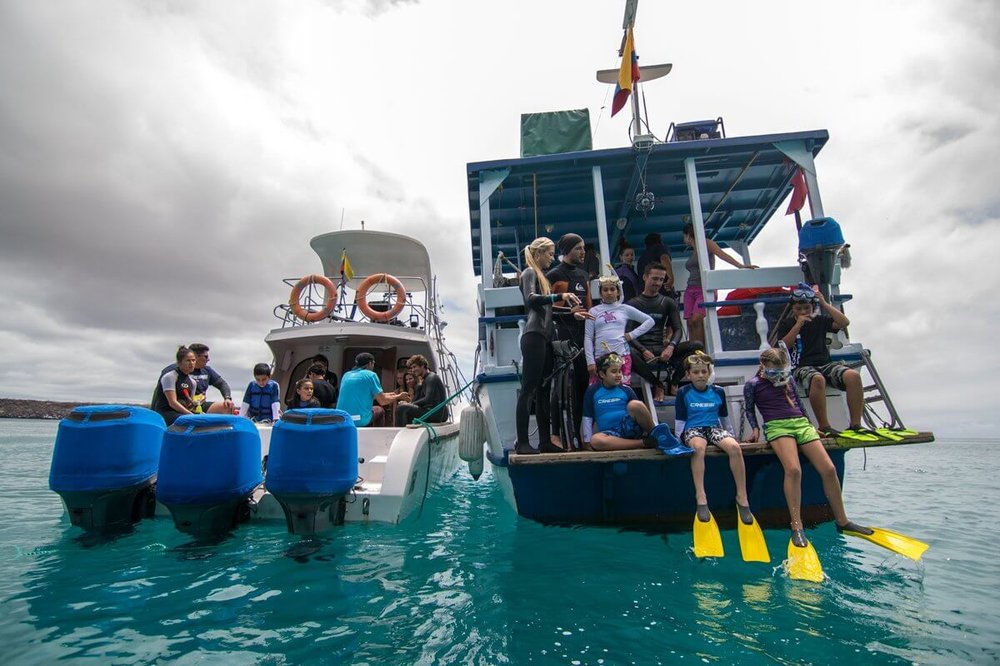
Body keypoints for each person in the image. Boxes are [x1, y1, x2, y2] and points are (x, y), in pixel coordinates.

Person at [743, 345, 874, 549]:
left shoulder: (789, 380)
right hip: (777, 426)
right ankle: (797, 526)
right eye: (773, 372)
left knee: (829, 469)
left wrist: (811, 425)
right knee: (794, 470)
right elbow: (749, 409)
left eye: (782, 371)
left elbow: (799, 405)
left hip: (800, 424)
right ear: (763, 366)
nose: (778, 376)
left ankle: (843, 521)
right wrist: (755, 430)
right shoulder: (753, 384)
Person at [774, 284, 872, 440]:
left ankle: (855, 425)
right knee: (817, 379)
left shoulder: (819, 321)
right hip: (801, 366)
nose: (803, 312)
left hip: (825, 364)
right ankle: (824, 426)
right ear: (793, 309)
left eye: (806, 308)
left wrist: (825, 304)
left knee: (853, 376)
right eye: (799, 308)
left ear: (812, 307)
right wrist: (798, 325)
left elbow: (844, 323)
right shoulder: (787, 324)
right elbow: (784, 346)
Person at [517, 237, 581, 455]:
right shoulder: (529, 273)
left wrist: (573, 313)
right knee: (528, 389)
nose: (552, 259)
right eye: (550, 254)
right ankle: (523, 442)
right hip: (533, 335)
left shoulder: (543, 278)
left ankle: (545, 441)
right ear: (539, 254)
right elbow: (531, 300)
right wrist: (559, 295)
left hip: (545, 337)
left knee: (544, 389)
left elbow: (549, 310)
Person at [674, 351, 753, 528]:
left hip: (714, 428)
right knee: (698, 448)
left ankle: (742, 497)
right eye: (696, 372)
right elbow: (680, 420)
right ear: (688, 375)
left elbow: (725, 418)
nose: (700, 375)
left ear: (709, 373)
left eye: (704, 371)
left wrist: (732, 436)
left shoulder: (718, 392)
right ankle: (701, 496)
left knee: (734, 448)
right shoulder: (683, 392)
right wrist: (678, 440)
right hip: (693, 429)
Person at [627, 262, 704, 401]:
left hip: (661, 349)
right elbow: (628, 333)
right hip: (641, 350)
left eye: (661, 280)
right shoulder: (633, 304)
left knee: (697, 345)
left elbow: (678, 329)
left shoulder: (667, 302)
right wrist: (643, 350)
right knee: (627, 351)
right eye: (654, 278)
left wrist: (671, 346)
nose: (658, 283)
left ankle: (673, 382)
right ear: (645, 277)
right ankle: (657, 384)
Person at [546, 232, 595, 449]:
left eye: (583, 248)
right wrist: (568, 312)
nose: (583, 252)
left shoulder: (584, 275)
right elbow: (547, 310)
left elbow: (589, 306)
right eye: (578, 248)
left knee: (583, 385)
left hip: (582, 336)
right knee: (562, 387)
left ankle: (582, 435)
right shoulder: (554, 275)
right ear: (566, 251)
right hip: (562, 337)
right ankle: (559, 435)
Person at [681, 223, 758, 347]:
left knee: (697, 319)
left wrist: (740, 266)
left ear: (688, 235)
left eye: (684, 236)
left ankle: (700, 351)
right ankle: (692, 353)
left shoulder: (706, 243)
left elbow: (722, 255)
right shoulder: (693, 251)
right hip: (690, 290)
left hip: (703, 289)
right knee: (690, 323)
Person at [581, 353, 664, 451]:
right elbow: (587, 417)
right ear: (602, 374)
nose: (618, 375)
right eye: (614, 371)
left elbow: (640, 411)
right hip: (611, 434)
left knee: (635, 405)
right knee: (595, 440)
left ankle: (657, 436)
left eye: (620, 371)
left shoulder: (626, 390)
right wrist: (586, 441)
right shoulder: (592, 391)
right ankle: (644, 443)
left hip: (629, 428)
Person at [583, 274, 654, 386]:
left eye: (612, 289)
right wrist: (590, 362)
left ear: (618, 291)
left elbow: (649, 321)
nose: (609, 292)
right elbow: (588, 337)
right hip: (600, 358)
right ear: (600, 293)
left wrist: (631, 335)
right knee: (597, 392)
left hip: (622, 357)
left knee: (622, 390)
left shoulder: (624, 309)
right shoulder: (593, 311)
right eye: (605, 290)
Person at [159, 342, 234, 414]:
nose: (208, 359)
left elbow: (222, 384)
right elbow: (165, 396)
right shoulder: (172, 372)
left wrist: (227, 398)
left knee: (227, 407)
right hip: (178, 406)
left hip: (198, 404)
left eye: (193, 360)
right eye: (205, 356)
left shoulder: (206, 370)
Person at [336, 352, 409, 427]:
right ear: (370, 363)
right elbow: (383, 401)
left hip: (342, 419)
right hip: (359, 420)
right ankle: (377, 436)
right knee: (379, 410)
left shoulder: (346, 375)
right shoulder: (370, 375)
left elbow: (366, 395)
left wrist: (391, 394)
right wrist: (399, 396)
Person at [150, 346, 202, 425]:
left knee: (204, 419)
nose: (191, 363)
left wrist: (195, 405)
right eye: (188, 360)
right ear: (179, 362)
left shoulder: (193, 382)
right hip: (166, 413)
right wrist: (191, 415)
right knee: (193, 422)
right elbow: (172, 403)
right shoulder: (170, 377)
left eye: (193, 360)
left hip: (181, 414)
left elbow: (189, 405)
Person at [396, 354, 449, 426]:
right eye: (411, 368)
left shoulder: (431, 377)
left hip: (436, 414)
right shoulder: (424, 380)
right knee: (404, 407)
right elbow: (415, 401)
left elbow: (428, 399)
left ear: (423, 365)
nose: (413, 370)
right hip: (430, 411)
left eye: (414, 367)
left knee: (401, 408)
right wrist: (418, 388)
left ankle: (402, 432)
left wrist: (409, 404)